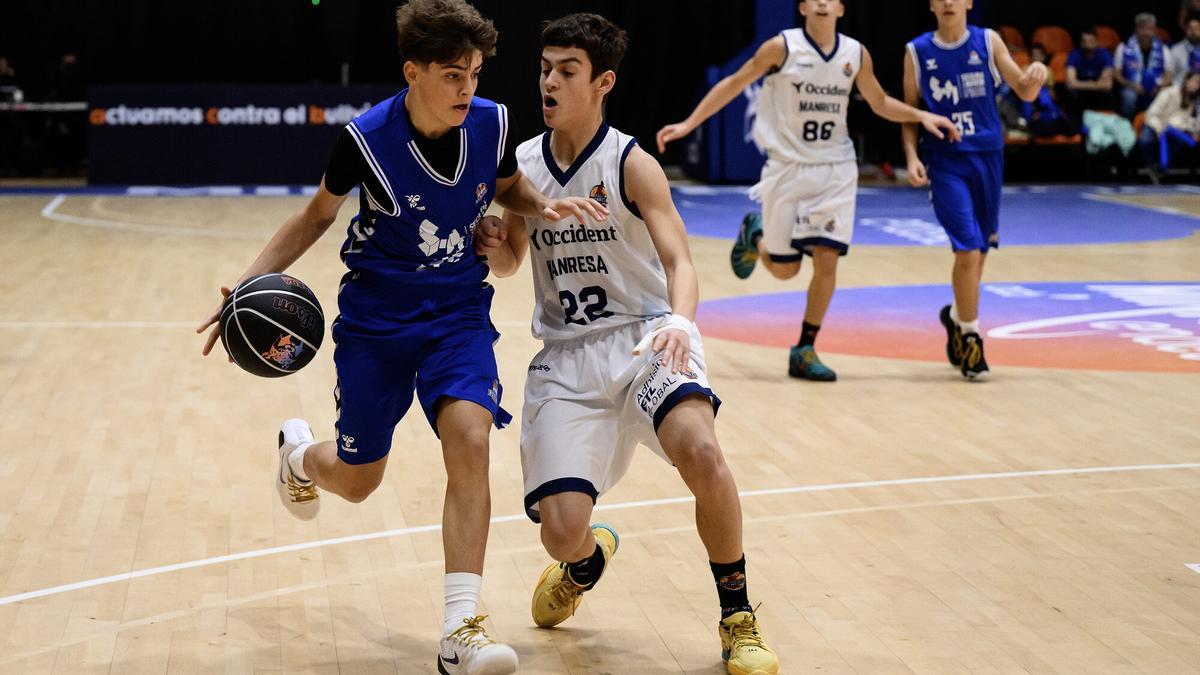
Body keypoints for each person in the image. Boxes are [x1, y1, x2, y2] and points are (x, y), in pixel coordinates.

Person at [195, 2, 605, 673]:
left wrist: (539, 205)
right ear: (413, 72)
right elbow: (315, 217)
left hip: (456, 315)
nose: (467, 89)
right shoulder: (365, 140)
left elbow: (507, 185)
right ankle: (299, 457)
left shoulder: (492, 123)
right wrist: (244, 286)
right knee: (359, 481)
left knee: (470, 437)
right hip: (376, 323)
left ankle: (461, 629)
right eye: (452, 75)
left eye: (474, 74)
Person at [476, 13, 780, 675]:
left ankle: (738, 615)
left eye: (567, 71)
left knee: (703, 451)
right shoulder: (522, 165)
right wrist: (495, 244)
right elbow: (510, 262)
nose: (549, 82)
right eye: (545, 69)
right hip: (567, 357)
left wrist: (682, 321)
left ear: (603, 82)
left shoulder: (631, 164)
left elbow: (681, 261)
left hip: (647, 337)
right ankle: (585, 562)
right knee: (560, 531)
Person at [656, 0, 959, 382]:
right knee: (785, 270)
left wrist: (921, 115)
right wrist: (688, 124)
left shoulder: (855, 54)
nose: (821, 3)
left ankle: (805, 347)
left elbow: (880, 102)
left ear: (841, 9)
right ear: (802, 7)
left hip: (835, 169)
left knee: (827, 258)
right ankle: (756, 235)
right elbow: (734, 83)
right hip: (788, 168)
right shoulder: (781, 48)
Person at [903, 0, 1048, 380]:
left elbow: (1025, 90)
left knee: (979, 253)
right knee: (966, 248)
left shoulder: (988, 42)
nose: (949, 2)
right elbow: (909, 113)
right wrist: (911, 156)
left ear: (969, 2)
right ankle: (971, 339)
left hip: (987, 157)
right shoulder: (917, 52)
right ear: (931, 4)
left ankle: (955, 316)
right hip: (946, 161)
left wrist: (1037, 73)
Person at [1138, 71, 1200, 179]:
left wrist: (1193, 131)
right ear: (1186, 80)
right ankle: (1152, 166)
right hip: (1154, 123)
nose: (1196, 86)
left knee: (1180, 141)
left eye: (1199, 84)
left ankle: (1160, 169)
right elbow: (1151, 114)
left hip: (1172, 129)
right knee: (1145, 140)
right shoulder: (1169, 92)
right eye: (1195, 82)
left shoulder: (1192, 100)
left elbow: (1185, 120)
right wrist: (1158, 128)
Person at [1115, 13, 1174, 119]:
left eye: (1150, 29)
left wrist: (1159, 86)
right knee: (1129, 97)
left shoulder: (1164, 49)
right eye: (1142, 28)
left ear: (1155, 30)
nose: (1146, 33)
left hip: (1156, 87)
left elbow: (1169, 76)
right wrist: (1131, 85)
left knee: (1165, 95)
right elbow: (1117, 75)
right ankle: (1126, 123)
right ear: (1136, 29)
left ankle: (1155, 124)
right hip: (1132, 86)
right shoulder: (1123, 47)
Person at [1064, 28, 1116, 123]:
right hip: (1081, 94)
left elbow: (1107, 85)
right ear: (1080, 43)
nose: (1088, 44)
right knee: (1071, 95)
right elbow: (1070, 84)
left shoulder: (1104, 54)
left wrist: (1079, 84)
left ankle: (1106, 123)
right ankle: (1074, 127)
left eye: (1091, 41)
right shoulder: (1074, 55)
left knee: (1108, 95)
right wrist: (1094, 84)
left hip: (1097, 93)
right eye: (1085, 41)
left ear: (1096, 41)